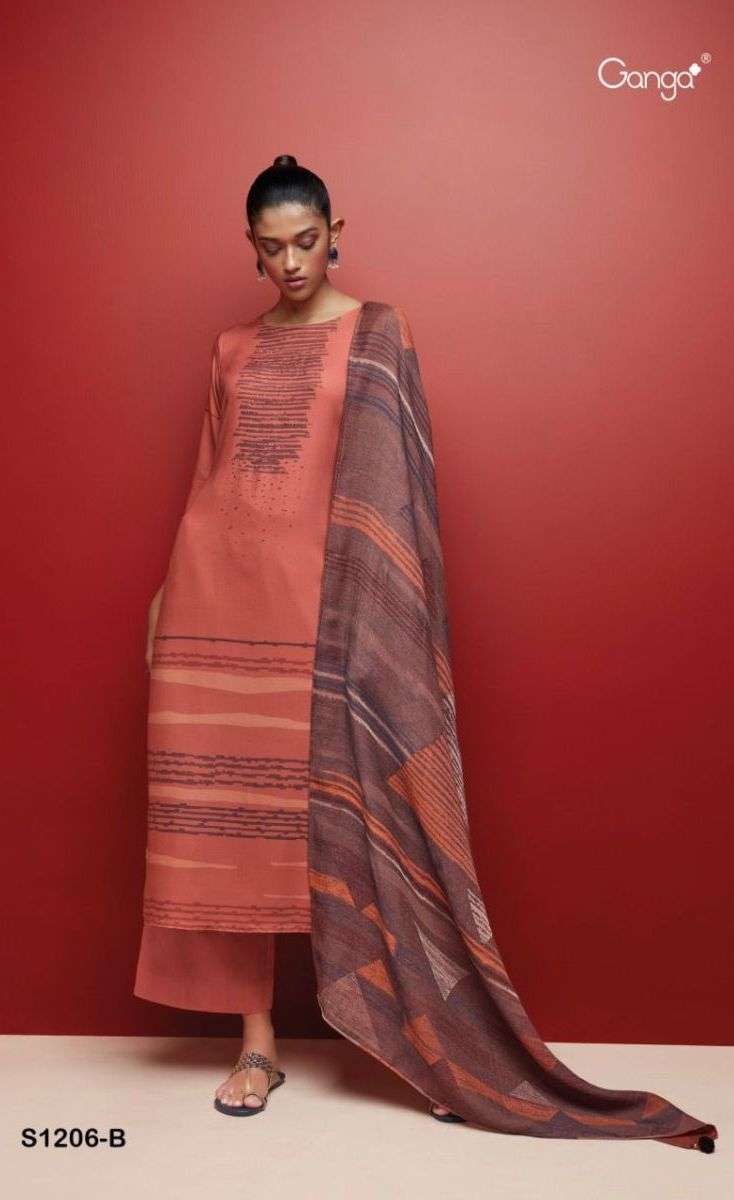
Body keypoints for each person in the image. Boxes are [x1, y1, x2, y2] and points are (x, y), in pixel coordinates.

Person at [133, 155, 718, 1150]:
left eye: (305, 241)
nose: (289, 262)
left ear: (336, 233)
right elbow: (208, 472)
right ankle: (257, 1044)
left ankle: (421, 1044)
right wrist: (161, 597)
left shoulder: (378, 335)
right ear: (250, 249)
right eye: (270, 247)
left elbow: (395, 490)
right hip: (213, 601)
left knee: (369, 818)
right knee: (234, 829)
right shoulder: (230, 346)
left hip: (327, 613)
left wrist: (372, 615)